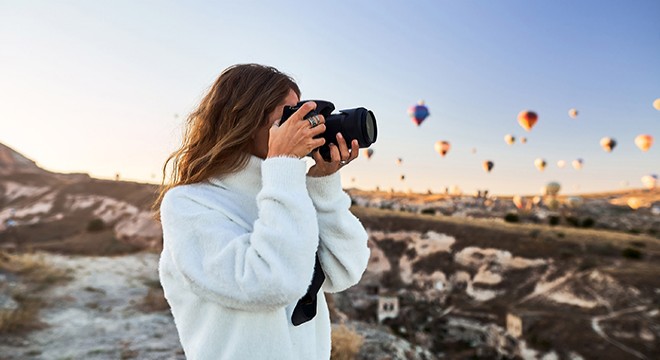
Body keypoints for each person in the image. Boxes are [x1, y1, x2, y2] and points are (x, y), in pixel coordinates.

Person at [154, 63, 370, 360]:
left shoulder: (285, 194)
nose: (303, 125)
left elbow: (345, 270)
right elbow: (271, 283)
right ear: (242, 119)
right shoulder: (189, 203)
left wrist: (324, 184)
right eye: (289, 115)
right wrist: (282, 165)